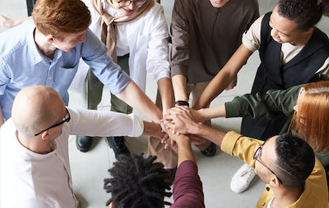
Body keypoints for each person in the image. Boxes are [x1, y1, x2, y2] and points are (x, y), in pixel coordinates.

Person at [193, 0, 329, 193]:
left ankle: (270, 170)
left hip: (293, 109)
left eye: (283, 33)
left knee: (281, 147)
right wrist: (197, 110)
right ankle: (253, 163)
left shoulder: (327, 56)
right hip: (261, 93)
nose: (273, 34)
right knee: (252, 130)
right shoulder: (264, 25)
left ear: (306, 31)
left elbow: (320, 97)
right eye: (273, 25)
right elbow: (228, 71)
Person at [183, 80, 329, 207]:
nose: (293, 109)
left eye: (258, 156)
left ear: (274, 181)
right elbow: (262, 104)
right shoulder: (315, 169)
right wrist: (200, 119)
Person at [0, 0, 162, 131]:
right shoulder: (6, 55)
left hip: (59, 117)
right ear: (51, 39)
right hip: (16, 124)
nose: (83, 40)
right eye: (77, 37)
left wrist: (161, 120)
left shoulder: (79, 33)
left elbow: (115, 78)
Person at [0, 86, 165, 208]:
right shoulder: (30, 196)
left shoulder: (39, 123)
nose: (69, 116)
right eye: (64, 117)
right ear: (46, 134)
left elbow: (102, 122)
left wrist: (158, 130)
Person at [159, 0, 259, 169]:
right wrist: (182, 105)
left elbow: (244, 46)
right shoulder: (185, 2)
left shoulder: (248, 6)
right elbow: (178, 50)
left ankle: (201, 141)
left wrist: (232, 73)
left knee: (202, 111)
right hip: (180, 71)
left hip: (216, 71)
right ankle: (165, 161)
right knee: (168, 113)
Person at [163, 109, 328, 207]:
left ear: (274, 181)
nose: (254, 151)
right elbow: (245, 146)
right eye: (262, 145)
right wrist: (197, 128)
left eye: (258, 155)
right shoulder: (312, 168)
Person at [75, 0, 172, 162]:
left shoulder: (152, 11)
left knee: (124, 104)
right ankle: (87, 127)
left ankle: (116, 133)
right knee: (89, 95)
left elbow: (160, 60)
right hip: (91, 54)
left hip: (125, 56)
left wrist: (166, 113)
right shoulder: (88, 4)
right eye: (122, 1)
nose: (132, 7)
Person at [104, 128, 205, 207]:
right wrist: (183, 141)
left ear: (111, 205)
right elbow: (188, 184)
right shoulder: (191, 204)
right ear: (162, 206)